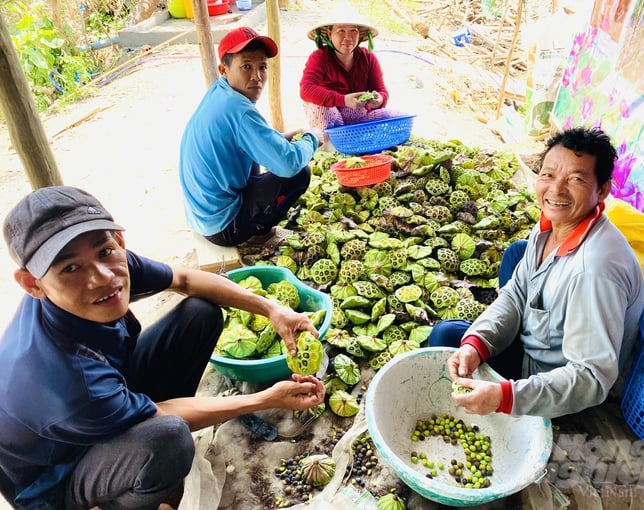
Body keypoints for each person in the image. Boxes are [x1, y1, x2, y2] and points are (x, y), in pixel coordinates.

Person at [0, 186, 326, 510]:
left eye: (104, 251)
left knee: (201, 313)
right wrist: (266, 399)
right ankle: (121, 501)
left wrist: (272, 309)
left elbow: (185, 280)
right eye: (69, 268)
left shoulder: (112, 267)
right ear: (32, 283)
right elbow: (163, 418)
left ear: (119, 243)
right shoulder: (64, 380)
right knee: (167, 440)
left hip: (105, 402)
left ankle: (139, 450)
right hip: (59, 473)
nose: (101, 278)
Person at [429, 127, 644, 419]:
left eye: (576, 179)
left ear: (603, 190)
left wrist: (506, 397)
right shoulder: (552, 225)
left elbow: (591, 378)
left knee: (444, 335)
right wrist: (477, 343)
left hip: (556, 381)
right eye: (549, 175)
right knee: (517, 254)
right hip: (543, 337)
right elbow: (516, 294)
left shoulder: (594, 271)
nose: (556, 190)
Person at [179, 26, 321, 247]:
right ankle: (260, 233)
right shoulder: (239, 110)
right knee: (300, 174)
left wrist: (280, 138)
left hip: (201, 217)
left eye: (262, 67)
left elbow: (242, 140)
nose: (257, 77)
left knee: (265, 156)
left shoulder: (220, 93)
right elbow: (289, 164)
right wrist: (312, 138)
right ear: (223, 69)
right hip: (223, 228)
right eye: (246, 66)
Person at [299, 10, 404, 131]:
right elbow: (306, 89)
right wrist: (343, 100)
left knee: (399, 117)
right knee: (321, 107)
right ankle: (330, 144)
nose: (348, 37)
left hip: (359, 117)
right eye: (341, 31)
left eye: (353, 30)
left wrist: (379, 99)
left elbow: (381, 90)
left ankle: (361, 141)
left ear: (359, 34)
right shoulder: (319, 58)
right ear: (329, 34)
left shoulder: (368, 58)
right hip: (330, 120)